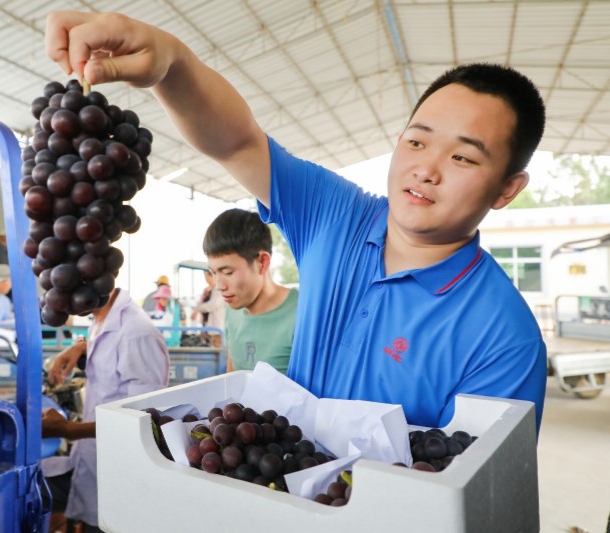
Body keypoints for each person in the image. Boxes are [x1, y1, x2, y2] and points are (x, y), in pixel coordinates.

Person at [43, 12, 549, 432]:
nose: (426, 168)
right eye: (416, 141)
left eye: (463, 158)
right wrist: (171, 65)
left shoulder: (505, 338)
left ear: (507, 188)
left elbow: (469, 492)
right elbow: (238, 142)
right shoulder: (338, 215)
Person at [41, 288, 169, 533]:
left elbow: (144, 422)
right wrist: (81, 348)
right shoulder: (101, 317)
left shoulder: (137, 334)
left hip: (120, 478)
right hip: (94, 465)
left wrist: (69, 430)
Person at [203, 209, 297, 374]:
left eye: (228, 272)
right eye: (213, 272)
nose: (219, 286)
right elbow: (232, 375)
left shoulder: (302, 315)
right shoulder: (233, 309)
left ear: (262, 262)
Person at [190, 268, 225, 347]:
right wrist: (196, 310)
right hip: (205, 326)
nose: (206, 278)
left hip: (216, 327)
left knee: (217, 349)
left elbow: (212, 305)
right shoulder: (206, 290)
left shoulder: (219, 290)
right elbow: (200, 303)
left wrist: (197, 309)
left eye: (207, 276)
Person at [147, 283, 181, 347]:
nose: (162, 301)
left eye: (164, 298)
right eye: (160, 298)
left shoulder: (173, 310)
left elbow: (168, 323)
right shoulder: (157, 311)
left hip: (172, 342)